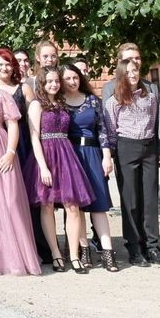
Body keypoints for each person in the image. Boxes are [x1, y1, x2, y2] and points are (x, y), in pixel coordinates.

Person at [25, 66, 94, 273]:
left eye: (56, 81)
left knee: (73, 207)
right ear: (42, 83)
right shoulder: (37, 105)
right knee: (47, 206)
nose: (54, 84)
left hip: (65, 155)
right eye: (49, 82)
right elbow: (34, 137)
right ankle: (56, 254)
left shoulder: (63, 103)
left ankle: (73, 255)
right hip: (45, 155)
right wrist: (43, 167)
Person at [103, 58, 160, 267]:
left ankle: (152, 246)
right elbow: (111, 129)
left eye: (136, 70)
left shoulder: (150, 96)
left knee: (149, 199)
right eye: (129, 71)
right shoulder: (114, 100)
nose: (133, 74)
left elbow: (154, 121)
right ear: (122, 74)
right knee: (130, 200)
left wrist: (157, 148)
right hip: (126, 147)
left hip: (147, 147)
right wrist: (113, 154)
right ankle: (134, 247)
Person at [0, 48, 49, 265]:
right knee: (3, 198)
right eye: (0, 64)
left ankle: (36, 247)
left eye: (8, 64)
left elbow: (34, 119)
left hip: (22, 146)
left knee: (27, 196)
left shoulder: (23, 88)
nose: (4, 68)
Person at [61, 64, 119, 272]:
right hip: (70, 156)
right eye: (67, 78)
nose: (72, 81)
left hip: (93, 154)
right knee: (78, 207)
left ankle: (108, 253)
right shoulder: (58, 103)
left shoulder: (93, 100)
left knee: (99, 205)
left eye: (75, 77)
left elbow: (103, 130)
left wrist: (106, 157)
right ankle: (84, 251)